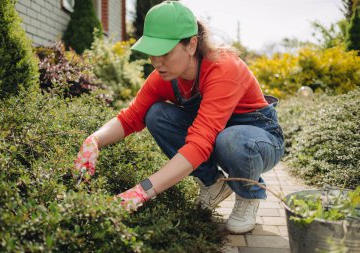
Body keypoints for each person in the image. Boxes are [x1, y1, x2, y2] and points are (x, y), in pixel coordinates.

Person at [74, 1, 285, 234]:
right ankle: (212, 185)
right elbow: (130, 118)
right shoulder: (164, 76)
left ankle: (247, 195)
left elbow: (200, 142)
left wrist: (142, 190)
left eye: (165, 52)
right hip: (216, 137)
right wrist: (93, 140)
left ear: (192, 45)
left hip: (258, 139)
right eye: (152, 53)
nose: (156, 62)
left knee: (231, 138)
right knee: (156, 114)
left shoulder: (224, 68)